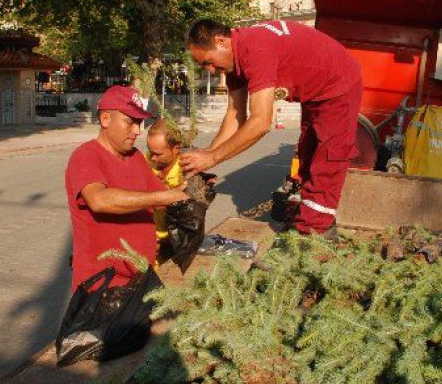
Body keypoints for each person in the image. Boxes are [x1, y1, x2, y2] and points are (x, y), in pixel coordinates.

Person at [182, 19, 362, 235]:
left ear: (221, 41)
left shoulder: (256, 49)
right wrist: (209, 153)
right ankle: (311, 219)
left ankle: (315, 234)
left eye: (208, 62)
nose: (211, 71)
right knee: (307, 155)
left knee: (328, 160)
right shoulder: (232, 62)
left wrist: (213, 158)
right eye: (204, 66)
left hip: (339, 85)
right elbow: (235, 114)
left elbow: (260, 122)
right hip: (314, 94)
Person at [64, 85, 188, 292]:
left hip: (141, 279)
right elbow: (98, 200)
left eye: (139, 123)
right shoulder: (85, 156)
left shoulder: (136, 157)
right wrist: (162, 198)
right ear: (105, 119)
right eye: (130, 122)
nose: (137, 131)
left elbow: (162, 200)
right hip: (102, 287)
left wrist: (189, 191)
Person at [146, 119, 184, 243]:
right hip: (149, 237)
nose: (153, 158)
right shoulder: (144, 162)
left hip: (177, 241)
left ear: (176, 148)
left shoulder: (186, 171)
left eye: (158, 154)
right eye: (150, 152)